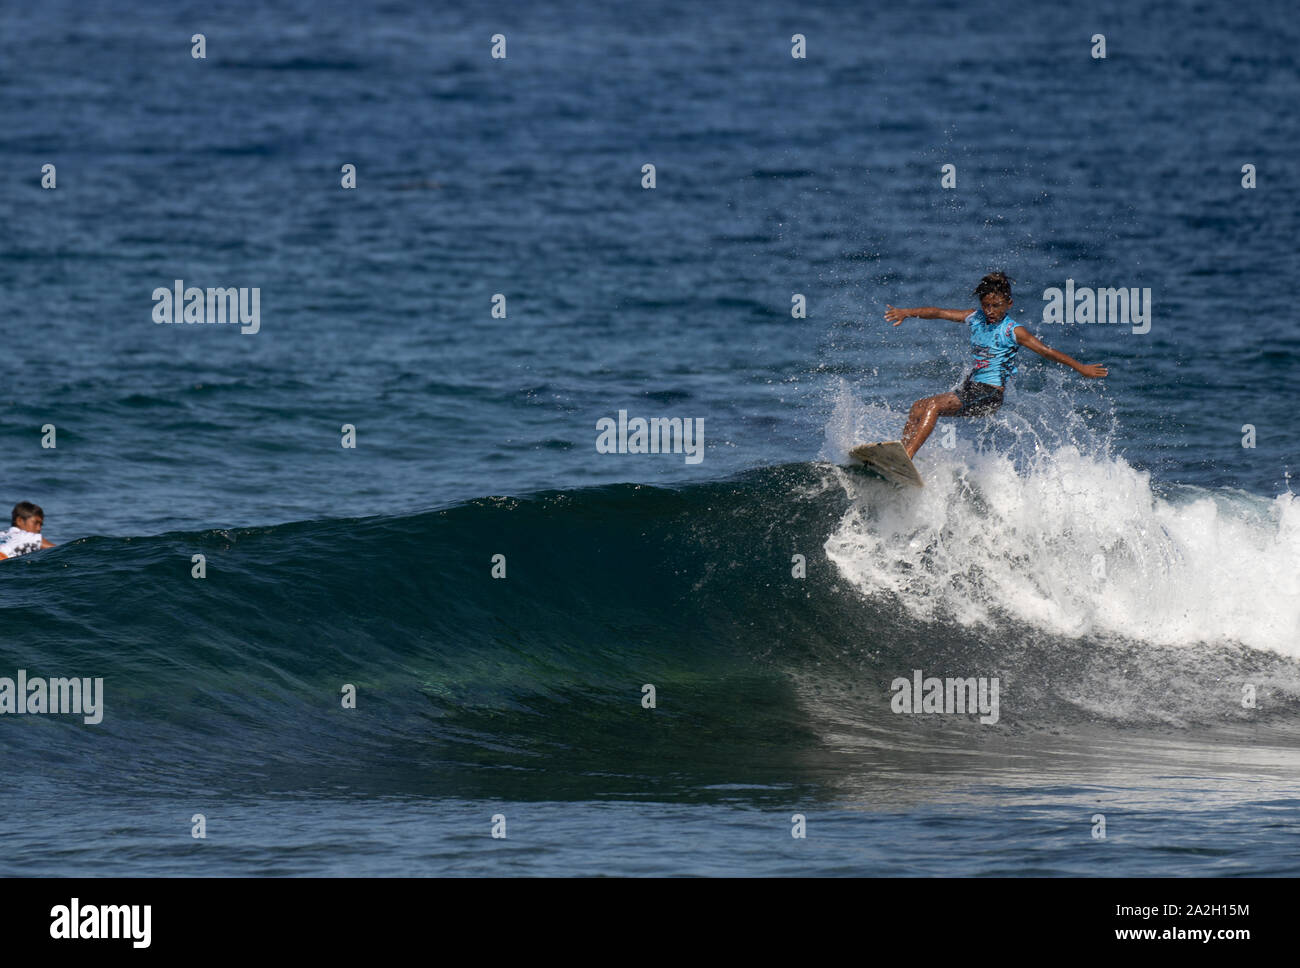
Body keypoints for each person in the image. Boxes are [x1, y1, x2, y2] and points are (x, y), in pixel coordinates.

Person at [884, 272, 1109, 458]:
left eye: (996, 305)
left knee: (933, 405)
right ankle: (900, 457)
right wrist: (907, 312)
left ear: (1008, 304)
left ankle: (906, 456)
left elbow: (1045, 351)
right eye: (986, 305)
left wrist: (1081, 368)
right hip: (971, 390)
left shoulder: (1013, 330)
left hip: (989, 394)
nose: (990, 311)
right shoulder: (976, 317)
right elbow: (940, 312)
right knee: (918, 407)